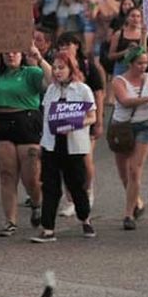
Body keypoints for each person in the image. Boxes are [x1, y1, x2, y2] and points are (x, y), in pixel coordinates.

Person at [0, 48, 47, 237]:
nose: (10, 55)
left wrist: (40, 59)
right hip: (1, 123)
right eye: (6, 52)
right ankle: (10, 221)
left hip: (27, 122)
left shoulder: (31, 72)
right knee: (7, 174)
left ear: (21, 54)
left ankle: (37, 203)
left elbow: (51, 82)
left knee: (31, 176)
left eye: (14, 52)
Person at [27, 52, 96, 243]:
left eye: (61, 68)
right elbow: (47, 116)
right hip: (51, 145)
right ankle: (47, 228)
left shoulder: (82, 90)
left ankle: (85, 218)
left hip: (74, 145)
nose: (57, 72)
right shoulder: (52, 91)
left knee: (76, 185)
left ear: (70, 69)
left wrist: (74, 124)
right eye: (55, 68)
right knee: (50, 186)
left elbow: (93, 117)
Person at [109, 46, 148, 230]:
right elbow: (124, 101)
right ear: (130, 63)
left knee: (134, 169)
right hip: (122, 127)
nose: (143, 66)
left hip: (145, 125)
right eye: (139, 63)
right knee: (123, 172)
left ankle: (128, 214)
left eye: (146, 63)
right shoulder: (118, 81)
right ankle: (136, 200)